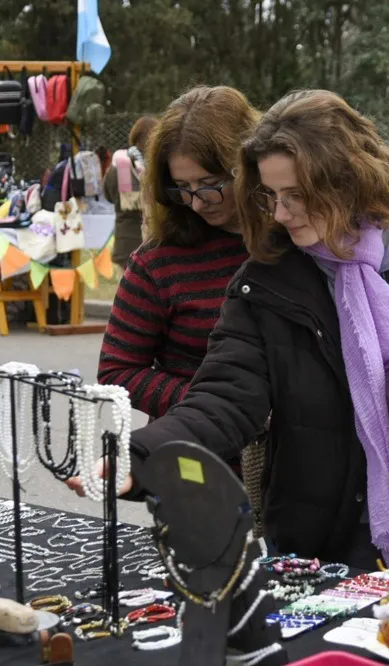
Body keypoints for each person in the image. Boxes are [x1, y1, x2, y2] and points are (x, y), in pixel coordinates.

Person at [79, 90, 389, 569]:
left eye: (296, 195)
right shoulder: (270, 275)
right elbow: (224, 395)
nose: (279, 214)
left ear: (347, 180)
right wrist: (140, 456)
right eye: (271, 195)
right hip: (338, 519)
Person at [70, 87, 256, 500]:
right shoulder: (158, 261)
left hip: (295, 475)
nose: (197, 203)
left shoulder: (291, 239)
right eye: (181, 188)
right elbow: (118, 369)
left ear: (245, 164)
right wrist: (209, 405)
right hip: (195, 471)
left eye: (209, 184)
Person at [102, 116, 157, 266]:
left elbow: (108, 195)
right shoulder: (157, 166)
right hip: (153, 243)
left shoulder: (118, 164)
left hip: (124, 243)